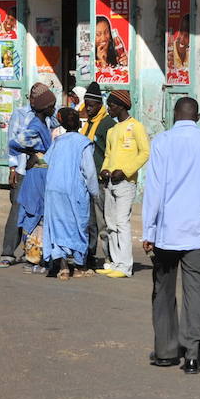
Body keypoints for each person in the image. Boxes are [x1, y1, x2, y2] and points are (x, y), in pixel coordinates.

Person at [142, 96, 200, 375]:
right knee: (198, 291)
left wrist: (149, 229)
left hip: (167, 230)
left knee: (163, 291)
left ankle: (166, 351)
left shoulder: (160, 143)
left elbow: (154, 190)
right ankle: (192, 352)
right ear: (198, 116)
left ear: (174, 114)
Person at [0, 83, 57, 268]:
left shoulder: (48, 115)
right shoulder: (21, 114)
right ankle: (8, 251)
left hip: (42, 172)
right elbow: (13, 142)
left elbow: (58, 124)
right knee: (18, 210)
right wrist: (13, 167)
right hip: (24, 170)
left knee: (38, 212)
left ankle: (32, 251)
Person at [97, 89, 149, 279]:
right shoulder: (112, 130)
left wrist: (126, 171)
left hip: (126, 183)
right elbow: (108, 155)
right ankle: (116, 262)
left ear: (120, 106)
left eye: (111, 105)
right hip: (110, 182)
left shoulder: (136, 127)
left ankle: (126, 266)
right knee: (110, 223)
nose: (108, 109)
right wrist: (104, 169)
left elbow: (144, 153)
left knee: (121, 222)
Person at [43, 107, 100, 278]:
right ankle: (80, 267)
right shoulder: (83, 143)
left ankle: (63, 267)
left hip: (54, 190)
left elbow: (46, 161)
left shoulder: (58, 141)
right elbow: (89, 172)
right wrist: (95, 192)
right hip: (74, 190)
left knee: (58, 225)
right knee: (78, 225)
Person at [79, 82, 113, 269]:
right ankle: (89, 255)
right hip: (85, 180)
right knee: (88, 221)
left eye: (91, 105)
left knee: (102, 223)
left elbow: (110, 152)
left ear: (100, 105)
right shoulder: (88, 125)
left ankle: (109, 256)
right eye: (86, 104)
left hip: (100, 181)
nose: (88, 108)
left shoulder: (107, 125)